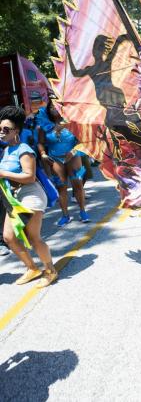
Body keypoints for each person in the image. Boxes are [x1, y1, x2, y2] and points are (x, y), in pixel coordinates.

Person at [0, 106, 57, 287]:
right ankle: (32, 268)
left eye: (6, 129)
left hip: (31, 196)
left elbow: (29, 176)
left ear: (16, 130)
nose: (1, 132)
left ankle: (50, 270)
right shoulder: (7, 150)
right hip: (15, 198)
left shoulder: (24, 149)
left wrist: (2, 174)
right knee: (9, 237)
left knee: (33, 237)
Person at [38, 101, 90, 227]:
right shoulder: (44, 125)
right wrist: (43, 154)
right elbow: (40, 143)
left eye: (56, 106)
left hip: (74, 157)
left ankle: (83, 211)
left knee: (78, 184)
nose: (53, 109)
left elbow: (83, 140)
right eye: (51, 107)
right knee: (61, 187)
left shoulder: (73, 122)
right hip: (55, 159)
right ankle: (65, 215)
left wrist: (73, 151)